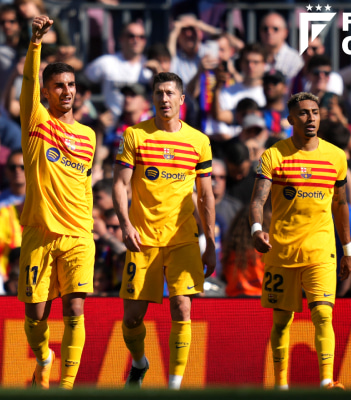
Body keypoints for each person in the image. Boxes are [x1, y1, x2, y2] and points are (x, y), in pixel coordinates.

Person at [112, 72, 216, 389]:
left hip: (183, 238)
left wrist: (211, 242)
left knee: (182, 307)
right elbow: (120, 184)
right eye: (159, 92)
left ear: (181, 99)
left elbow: (205, 195)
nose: (164, 98)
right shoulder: (135, 135)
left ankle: (174, 386)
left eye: (170, 93)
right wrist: (125, 225)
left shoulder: (199, 141)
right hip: (143, 239)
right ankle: (139, 363)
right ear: (152, 98)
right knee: (132, 318)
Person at [249, 92, 351, 390]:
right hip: (282, 250)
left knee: (323, 313)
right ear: (291, 119)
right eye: (304, 113)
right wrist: (256, 229)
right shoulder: (274, 155)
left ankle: (326, 382)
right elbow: (257, 200)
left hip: (321, 250)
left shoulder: (336, 157)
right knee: (282, 321)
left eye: (315, 112)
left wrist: (348, 249)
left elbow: (340, 204)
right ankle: (280, 386)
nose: (311, 118)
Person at [18, 16, 96, 390]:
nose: (66, 91)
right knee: (36, 316)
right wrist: (35, 44)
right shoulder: (36, 121)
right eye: (58, 86)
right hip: (40, 231)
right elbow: (28, 81)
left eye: (71, 85)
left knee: (75, 309)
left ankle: (65, 386)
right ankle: (43, 358)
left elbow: (83, 184)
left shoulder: (89, 135)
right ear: (46, 93)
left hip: (78, 234)